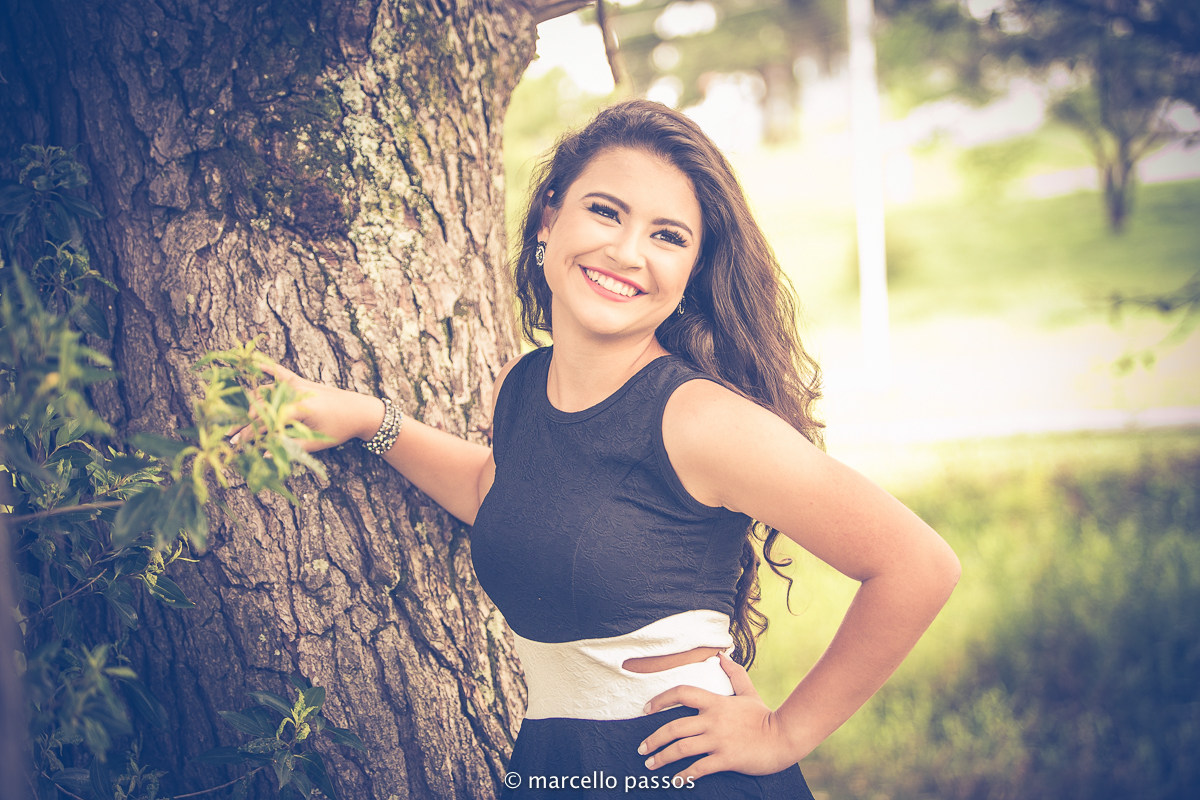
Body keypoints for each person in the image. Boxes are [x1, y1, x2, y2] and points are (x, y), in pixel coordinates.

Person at [239, 99, 961, 797]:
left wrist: (782, 734)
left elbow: (917, 565)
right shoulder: (524, 386)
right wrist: (369, 420)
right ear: (549, 217)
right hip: (557, 765)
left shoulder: (698, 418)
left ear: (692, 272)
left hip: (675, 773)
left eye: (667, 236)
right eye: (606, 211)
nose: (626, 251)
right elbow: (501, 494)